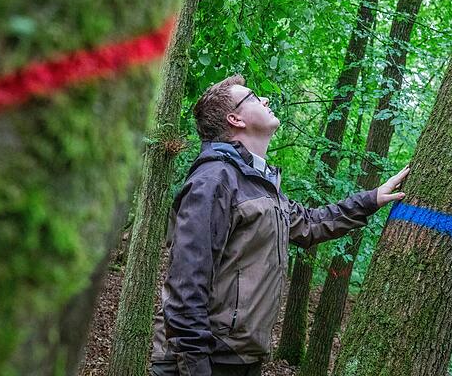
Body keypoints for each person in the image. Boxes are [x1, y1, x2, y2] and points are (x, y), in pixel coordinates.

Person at [150, 75, 410, 376]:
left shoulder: (259, 184)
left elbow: (310, 224)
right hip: (204, 361)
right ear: (235, 119)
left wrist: (370, 200)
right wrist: (196, 368)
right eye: (253, 97)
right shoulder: (213, 181)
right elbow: (185, 290)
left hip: (240, 358)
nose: (265, 100)